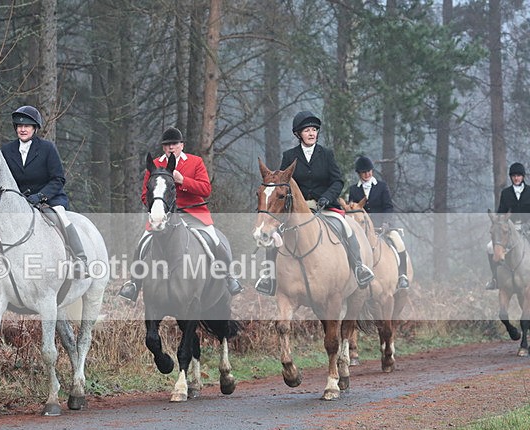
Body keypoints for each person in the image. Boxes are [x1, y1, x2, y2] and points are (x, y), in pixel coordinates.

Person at [255, 110, 374, 296]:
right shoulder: (289, 156)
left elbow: (337, 181)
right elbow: (282, 183)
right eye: (307, 130)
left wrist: (327, 196)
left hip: (324, 205)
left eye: (314, 130)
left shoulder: (326, 154)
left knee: (345, 226)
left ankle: (359, 267)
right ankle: (269, 277)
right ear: (298, 134)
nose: (311, 133)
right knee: (275, 233)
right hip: (298, 209)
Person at [117, 127, 243, 302]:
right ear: (163, 147)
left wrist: (182, 180)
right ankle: (133, 284)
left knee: (215, 241)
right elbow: (145, 195)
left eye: (174, 144)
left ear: (181, 145)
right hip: (165, 217)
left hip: (193, 214)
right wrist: (157, 209)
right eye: (167, 144)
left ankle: (229, 278)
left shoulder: (195, 162)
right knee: (142, 244)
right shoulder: (154, 165)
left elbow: (206, 189)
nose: (171, 147)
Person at [0, 105, 87, 281]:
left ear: (35, 128)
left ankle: (79, 259)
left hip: (48, 199)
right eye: (19, 126)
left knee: (61, 217)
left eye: (27, 126)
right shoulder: (6, 150)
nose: (23, 129)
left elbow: (58, 179)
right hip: (18, 201)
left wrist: (39, 196)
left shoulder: (48, 148)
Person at [348, 155, 409, 290]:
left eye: (369, 171)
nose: (367, 174)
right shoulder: (353, 190)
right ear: (359, 174)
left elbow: (388, 207)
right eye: (364, 172)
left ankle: (402, 275)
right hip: (363, 229)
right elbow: (353, 210)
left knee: (399, 243)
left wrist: (386, 223)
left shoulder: (381, 186)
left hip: (382, 226)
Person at [485, 162, 530, 289]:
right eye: (514, 176)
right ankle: (495, 279)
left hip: (528, 227)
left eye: (519, 175)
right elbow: (501, 212)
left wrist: (527, 225)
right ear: (511, 177)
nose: (516, 178)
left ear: (523, 177)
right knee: (489, 247)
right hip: (509, 229)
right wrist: (497, 221)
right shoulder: (506, 193)